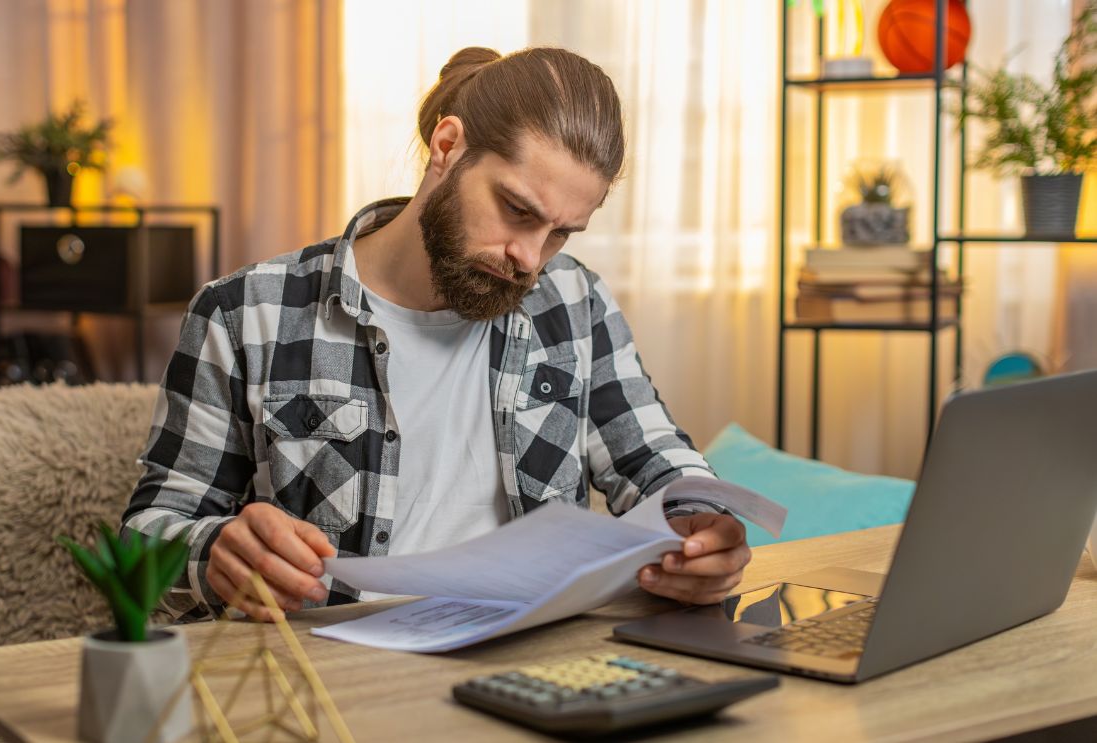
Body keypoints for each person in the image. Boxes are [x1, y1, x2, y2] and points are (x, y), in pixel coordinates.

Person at [122, 46, 750, 623]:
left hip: (533, 661)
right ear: (448, 146)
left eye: (560, 233)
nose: (530, 259)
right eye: (517, 210)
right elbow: (143, 543)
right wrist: (215, 551)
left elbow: (654, 458)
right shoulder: (245, 313)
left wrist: (702, 527)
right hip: (334, 675)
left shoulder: (574, 301)